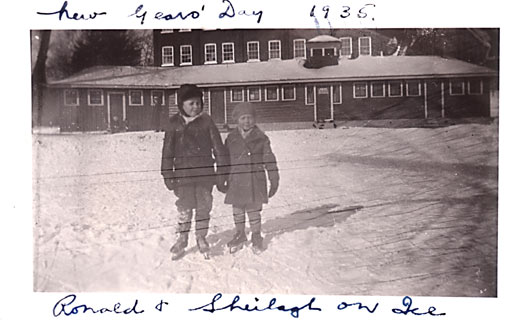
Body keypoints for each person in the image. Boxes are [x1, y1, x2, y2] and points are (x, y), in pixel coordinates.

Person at [160, 84, 227, 260]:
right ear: (182, 104)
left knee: (204, 206)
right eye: (191, 103)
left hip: (205, 175)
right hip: (183, 176)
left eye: (198, 103)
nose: (195, 106)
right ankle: (182, 239)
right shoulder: (174, 124)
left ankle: (201, 237)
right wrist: (167, 174)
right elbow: (167, 151)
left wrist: (221, 174)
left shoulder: (207, 122)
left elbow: (218, 148)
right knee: (185, 207)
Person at [223, 102, 280, 254]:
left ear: (255, 119)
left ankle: (256, 235)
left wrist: (274, 179)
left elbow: (269, 159)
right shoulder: (231, 138)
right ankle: (240, 233)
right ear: (237, 120)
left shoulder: (261, 138)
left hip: (255, 180)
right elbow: (225, 161)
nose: (247, 121)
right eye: (243, 118)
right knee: (238, 210)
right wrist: (222, 178)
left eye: (250, 118)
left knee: (254, 210)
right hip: (236, 180)